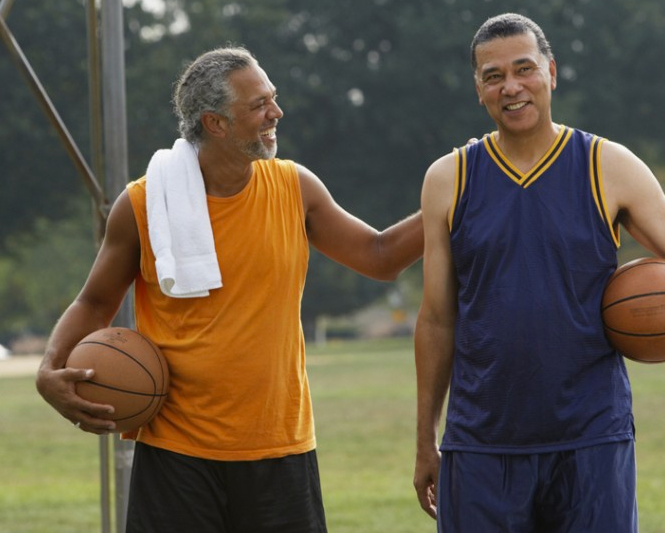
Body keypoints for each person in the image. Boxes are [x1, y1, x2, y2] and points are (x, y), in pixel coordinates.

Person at [36, 46, 422, 533]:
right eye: (259, 104)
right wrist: (49, 368)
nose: (276, 113)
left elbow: (381, 256)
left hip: (281, 448)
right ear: (215, 123)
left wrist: (456, 191)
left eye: (273, 99)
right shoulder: (142, 204)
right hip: (177, 455)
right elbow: (94, 302)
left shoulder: (294, 187)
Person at [413, 13, 665, 532]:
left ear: (552, 72)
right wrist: (425, 438)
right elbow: (435, 320)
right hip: (480, 443)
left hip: (591, 437)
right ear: (478, 89)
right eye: (493, 76)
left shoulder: (607, 165)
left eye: (524, 69)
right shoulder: (447, 178)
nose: (511, 87)